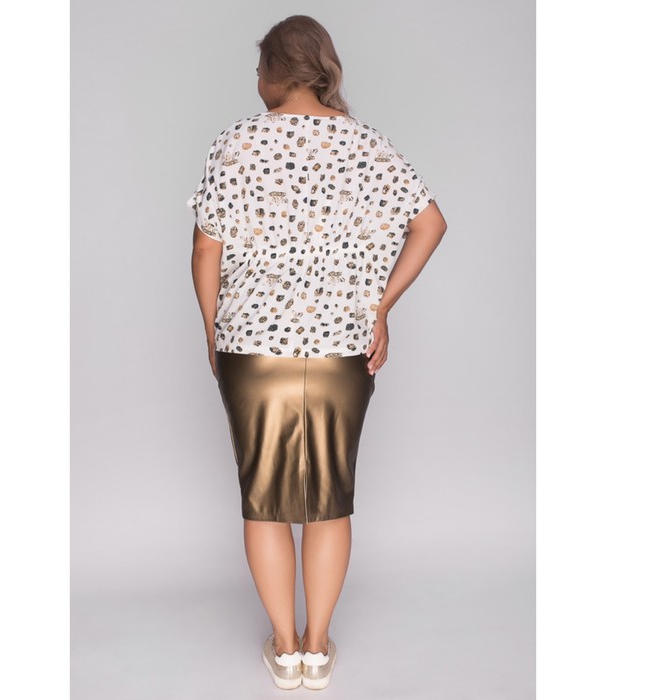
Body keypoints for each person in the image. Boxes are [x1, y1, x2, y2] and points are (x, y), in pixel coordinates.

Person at [188, 14, 447, 691]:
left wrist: (212, 329)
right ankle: (317, 646)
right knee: (331, 498)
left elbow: (206, 250)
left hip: (251, 348)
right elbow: (431, 224)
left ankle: (284, 648)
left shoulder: (236, 143)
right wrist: (380, 307)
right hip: (342, 351)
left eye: (259, 68)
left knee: (262, 499)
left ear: (274, 72)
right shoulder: (368, 144)